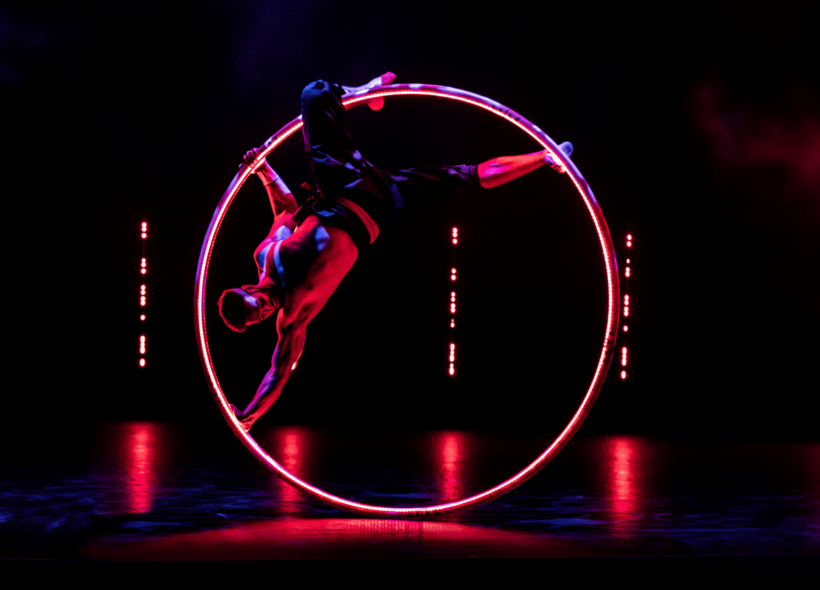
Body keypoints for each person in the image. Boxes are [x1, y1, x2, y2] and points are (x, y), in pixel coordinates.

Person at [220, 73, 574, 431]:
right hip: (380, 206)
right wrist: (247, 417)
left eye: (258, 305)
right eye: (260, 317)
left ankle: (363, 92)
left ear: (249, 289)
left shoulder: (268, 256)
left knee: (314, 93)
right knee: (462, 178)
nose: (266, 309)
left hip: (343, 187)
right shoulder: (293, 316)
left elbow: (284, 209)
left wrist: (263, 171)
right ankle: (545, 157)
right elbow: (278, 374)